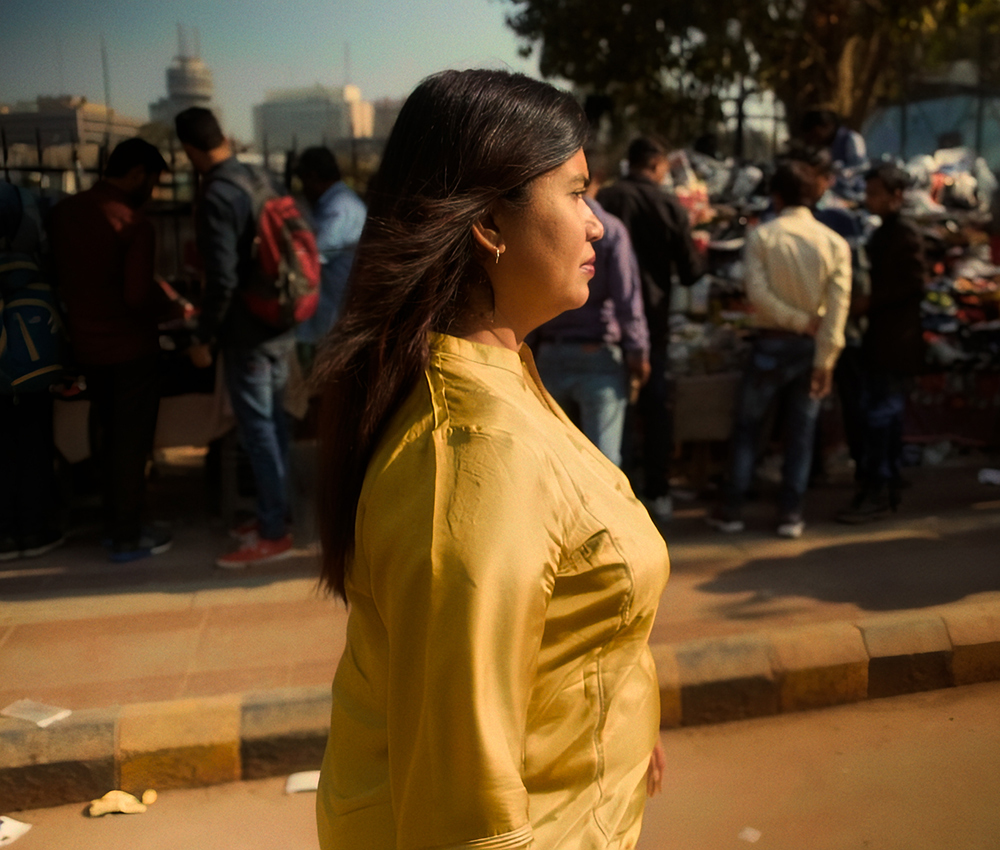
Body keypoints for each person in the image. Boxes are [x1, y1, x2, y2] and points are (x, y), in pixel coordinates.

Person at [313, 69, 670, 850]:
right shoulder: (474, 459)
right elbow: (459, 808)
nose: (597, 226)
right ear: (489, 224)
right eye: (575, 194)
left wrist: (620, 704)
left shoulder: (499, 373)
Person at [174, 107, 295, 568]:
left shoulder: (217, 194)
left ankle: (273, 531)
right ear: (222, 135)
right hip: (281, 320)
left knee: (259, 432)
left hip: (248, 332)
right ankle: (274, 515)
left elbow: (222, 279)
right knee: (276, 427)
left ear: (189, 149)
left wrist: (203, 335)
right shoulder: (260, 177)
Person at [709, 160, 852, 538]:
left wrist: (794, 321)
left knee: (749, 428)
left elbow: (758, 295)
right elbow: (839, 309)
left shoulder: (763, 237)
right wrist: (826, 359)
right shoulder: (834, 243)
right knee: (801, 432)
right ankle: (790, 514)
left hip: (771, 344)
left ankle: (734, 509)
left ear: (776, 196)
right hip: (810, 349)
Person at [49, 137, 174, 562]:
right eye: (153, 181)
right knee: (129, 444)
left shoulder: (64, 213)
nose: (153, 191)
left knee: (104, 435)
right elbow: (137, 296)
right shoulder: (133, 224)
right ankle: (127, 534)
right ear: (138, 174)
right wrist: (175, 306)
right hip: (130, 350)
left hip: (86, 346)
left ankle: (110, 527)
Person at [597, 136, 703, 521]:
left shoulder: (605, 200)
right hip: (652, 324)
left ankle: (615, 497)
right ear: (657, 166)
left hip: (605, 325)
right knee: (655, 407)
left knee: (609, 414)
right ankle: (656, 490)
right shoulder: (668, 203)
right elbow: (691, 271)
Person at [533, 162, 649, 468]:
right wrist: (638, 353)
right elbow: (627, 299)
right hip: (597, 356)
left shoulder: (543, 225)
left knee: (554, 464)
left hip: (550, 354)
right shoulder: (609, 229)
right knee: (604, 466)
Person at [837, 163, 925, 523]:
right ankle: (884, 484)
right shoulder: (883, 233)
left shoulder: (904, 233)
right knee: (882, 415)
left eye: (876, 193)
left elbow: (914, 284)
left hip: (895, 342)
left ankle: (878, 487)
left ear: (896, 196)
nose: (869, 200)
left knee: (880, 415)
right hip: (882, 340)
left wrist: (870, 303)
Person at [0, 182, 64, 560]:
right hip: (34, 371)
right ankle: (36, 529)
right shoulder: (23, 200)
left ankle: (4, 533)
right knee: (36, 445)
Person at [291, 147, 367, 375]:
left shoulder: (340, 208)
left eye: (304, 181)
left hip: (334, 313)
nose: (303, 189)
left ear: (313, 177)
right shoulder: (334, 204)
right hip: (328, 311)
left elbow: (309, 255)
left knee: (324, 382)